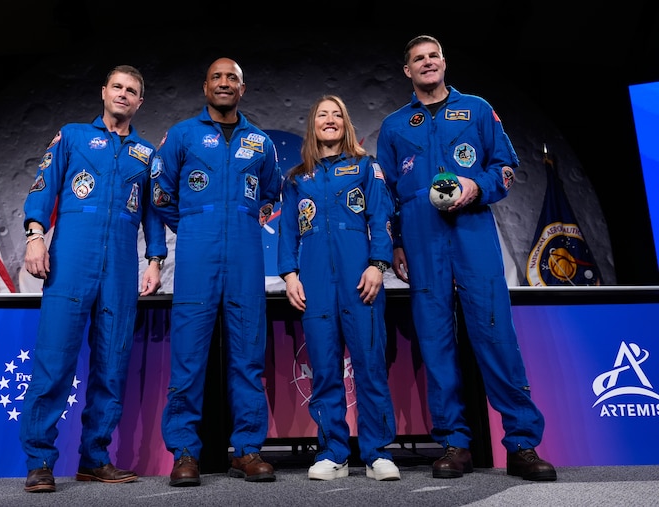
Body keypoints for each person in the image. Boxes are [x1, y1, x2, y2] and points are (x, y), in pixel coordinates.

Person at [376, 35, 557, 482]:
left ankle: (521, 444)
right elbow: (386, 197)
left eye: (433, 55)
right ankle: (454, 444)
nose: (427, 63)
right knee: (436, 343)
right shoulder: (395, 126)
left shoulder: (477, 109)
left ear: (443, 62)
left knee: (495, 336)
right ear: (408, 71)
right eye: (418, 58)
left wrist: (477, 187)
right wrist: (396, 242)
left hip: (473, 235)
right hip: (421, 242)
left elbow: (506, 167)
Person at [20, 64, 167, 493]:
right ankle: (40, 462)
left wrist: (155, 260)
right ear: (104, 92)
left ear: (140, 102)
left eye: (132, 91)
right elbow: (43, 187)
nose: (123, 94)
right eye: (117, 87)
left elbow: (153, 214)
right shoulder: (72, 137)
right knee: (54, 362)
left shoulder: (146, 155)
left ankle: (95, 458)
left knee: (112, 365)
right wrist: (35, 236)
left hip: (121, 268)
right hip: (71, 263)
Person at [150, 57, 281, 487]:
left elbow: (272, 193)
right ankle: (185, 452)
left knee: (248, 358)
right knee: (188, 359)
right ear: (206, 86)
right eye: (218, 77)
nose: (225, 84)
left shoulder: (261, 143)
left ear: (243, 89)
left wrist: (241, 222)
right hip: (196, 255)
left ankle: (247, 450)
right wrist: (192, 225)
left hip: (245, 257)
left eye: (233, 79)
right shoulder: (183, 135)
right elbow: (160, 193)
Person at [277, 95, 400, 481]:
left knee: (369, 366)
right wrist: (290, 275)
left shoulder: (366, 167)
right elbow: (286, 232)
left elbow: (380, 217)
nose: (329, 121)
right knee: (326, 370)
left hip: (359, 277)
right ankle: (334, 453)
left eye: (336, 115)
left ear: (345, 124)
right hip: (314, 280)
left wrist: (378, 265)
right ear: (313, 126)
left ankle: (377, 453)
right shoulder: (297, 178)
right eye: (322, 115)